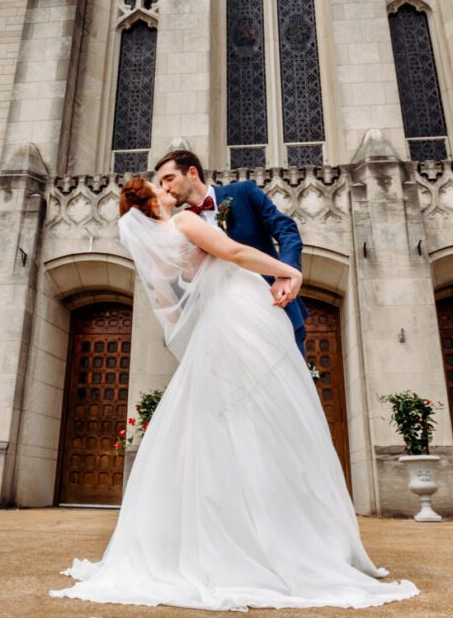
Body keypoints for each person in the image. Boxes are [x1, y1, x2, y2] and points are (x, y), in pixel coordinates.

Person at [49, 177, 419, 612]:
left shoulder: (164, 250)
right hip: (242, 310)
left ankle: (238, 532)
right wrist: (288, 269)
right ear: (153, 201)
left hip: (218, 322)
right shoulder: (186, 221)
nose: (166, 185)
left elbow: (172, 295)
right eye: (159, 184)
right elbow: (236, 253)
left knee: (228, 420)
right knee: (265, 411)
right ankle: (274, 537)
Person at [154, 149, 309, 358]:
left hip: (276, 307)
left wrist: (286, 274)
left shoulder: (243, 192)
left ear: (192, 173)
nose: (165, 187)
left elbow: (286, 230)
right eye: (161, 183)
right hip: (227, 328)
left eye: (169, 178)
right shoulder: (180, 227)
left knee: (291, 387)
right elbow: (179, 288)